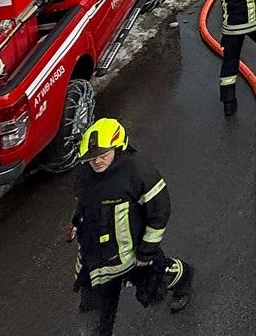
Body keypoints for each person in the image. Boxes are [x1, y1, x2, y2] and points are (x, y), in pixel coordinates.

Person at [70, 118, 195, 336]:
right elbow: (84, 204)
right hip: (97, 257)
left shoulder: (137, 171)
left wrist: (147, 251)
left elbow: (160, 210)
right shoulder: (84, 176)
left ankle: (183, 277)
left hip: (131, 254)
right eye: (92, 158)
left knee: (155, 284)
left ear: (118, 148)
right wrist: (74, 224)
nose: (97, 162)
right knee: (98, 311)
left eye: (103, 155)